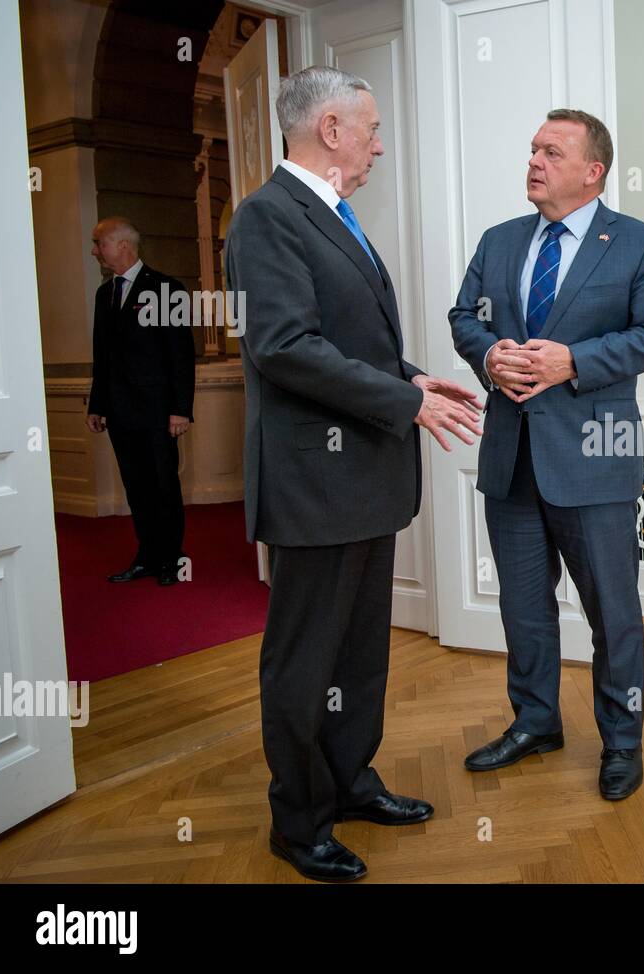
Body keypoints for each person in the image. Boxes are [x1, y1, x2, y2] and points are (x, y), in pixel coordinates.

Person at [224, 66, 483, 882]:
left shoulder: (334, 214)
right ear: (329, 131)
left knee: (360, 657)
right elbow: (285, 348)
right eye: (369, 129)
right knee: (304, 664)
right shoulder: (268, 218)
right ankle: (298, 823)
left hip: (363, 481)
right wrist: (402, 406)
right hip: (314, 488)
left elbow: (348, 345)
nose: (377, 144)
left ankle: (348, 783)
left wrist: (407, 378)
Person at [449, 109, 644, 800]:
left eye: (553, 151)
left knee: (612, 612)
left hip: (594, 457)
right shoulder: (499, 242)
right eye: (532, 149)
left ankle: (623, 743)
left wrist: (573, 361)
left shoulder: (637, 243)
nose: (535, 161)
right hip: (510, 456)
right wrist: (488, 354)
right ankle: (536, 721)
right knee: (523, 606)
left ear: (593, 170)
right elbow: (466, 317)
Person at [86, 217, 195, 587]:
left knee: (164, 485)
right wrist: (96, 405)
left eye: (98, 243)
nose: (94, 251)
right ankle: (147, 557)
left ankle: (172, 560)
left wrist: (181, 409)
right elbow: (102, 356)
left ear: (121, 246)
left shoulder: (166, 288)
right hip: (119, 412)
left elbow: (180, 353)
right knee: (136, 489)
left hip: (158, 412)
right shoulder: (104, 294)